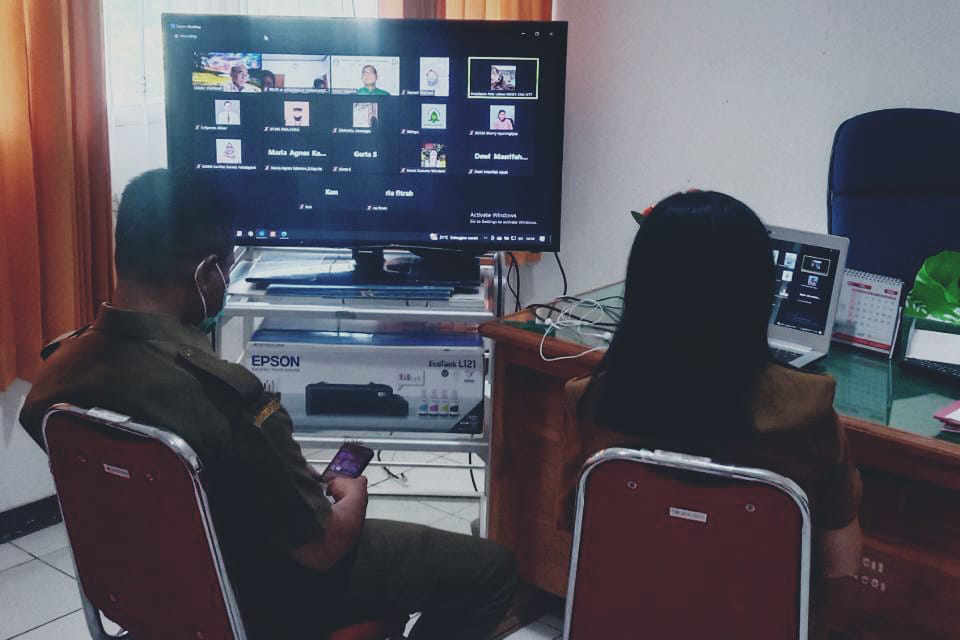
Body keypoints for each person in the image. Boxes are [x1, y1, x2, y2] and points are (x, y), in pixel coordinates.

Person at [18, 169, 516, 640]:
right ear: (207, 273)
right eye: (228, 266)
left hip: (143, 586)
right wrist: (356, 493)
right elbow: (323, 548)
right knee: (492, 571)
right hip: (257, 595)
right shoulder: (226, 396)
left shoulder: (61, 368)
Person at [559, 191, 862, 640]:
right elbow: (842, 565)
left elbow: (576, 529)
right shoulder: (806, 409)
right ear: (760, 292)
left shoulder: (593, 399)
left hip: (626, 621)